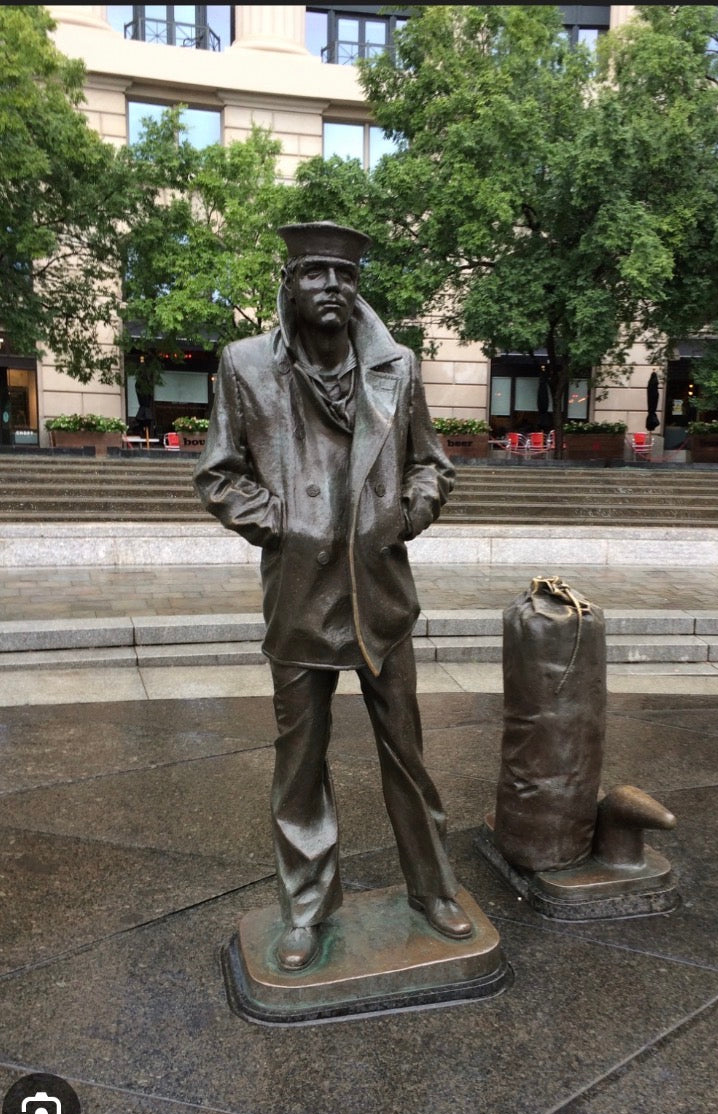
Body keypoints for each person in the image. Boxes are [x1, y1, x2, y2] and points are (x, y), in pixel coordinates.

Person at [194, 222, 471, 971]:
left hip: (379, 594)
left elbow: (431, 466)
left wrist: (406, 514)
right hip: (298, 594)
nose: (331, 288)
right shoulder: (245, 365)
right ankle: (308, 909)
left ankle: (433, 890)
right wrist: (279, 523)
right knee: (300, 763)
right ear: (288, 281)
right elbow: (219, 474)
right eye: (315, 273)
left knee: (407, 755)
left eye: (344, 276)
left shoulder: (396, 365)